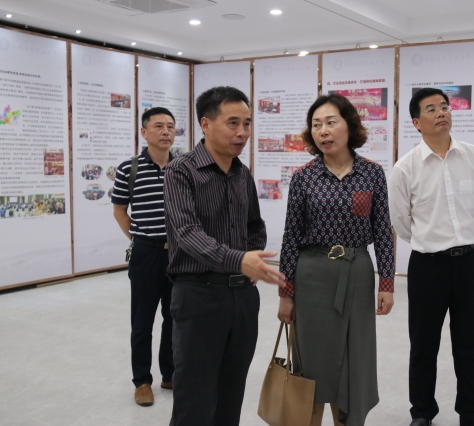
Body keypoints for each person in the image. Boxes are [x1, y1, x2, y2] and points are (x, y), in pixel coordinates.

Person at [164, 86, 286, 426]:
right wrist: (238, 260)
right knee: (194, 399)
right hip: (198, 296)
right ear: (206, 124)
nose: (242, 132)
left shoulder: (242, 173)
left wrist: (248, 262)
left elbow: (254, 226)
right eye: (233, 123)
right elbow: (186, 233)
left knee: (231, 394)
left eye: (247, 124)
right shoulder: (180, 171)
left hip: (242, 297)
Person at [277, 94, 395, 426]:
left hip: (357, 274)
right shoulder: (304, 177)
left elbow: (383, 231)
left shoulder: (372, 174)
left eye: (331, 122)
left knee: (354, 358)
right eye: (316, 125)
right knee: (312, 362)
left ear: (349, 126)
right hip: (312, 277)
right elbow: (291, 237)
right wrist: (286, 293)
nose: (323, 131)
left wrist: (387, 284)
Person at [389, 88, 474, 426]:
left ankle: (473, 413)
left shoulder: (472, 155)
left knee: (469, 342)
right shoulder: (405, 168)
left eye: (444, 106)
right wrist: (431, 239)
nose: (441, 113)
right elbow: (401, 221)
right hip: (428, 265)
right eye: (431, 109)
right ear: (417, 122)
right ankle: (422, 412)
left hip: (469, 262)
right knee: (423, 345)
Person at [112, 107, 177, 407]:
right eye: (158, 126)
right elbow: (119, 211)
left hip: (178, 254)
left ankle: (170, 373)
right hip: (145, 253)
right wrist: (139, 239)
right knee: (142, 321)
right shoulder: (129, 168)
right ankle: (142, 381)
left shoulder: (183, 166)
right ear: (144, 132)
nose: (165, 131)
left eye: (170, 126)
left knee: (174, 317)